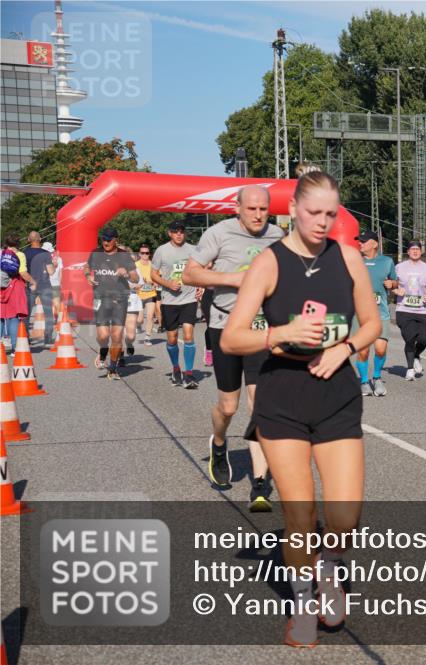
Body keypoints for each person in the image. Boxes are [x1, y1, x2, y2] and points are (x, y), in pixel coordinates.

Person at [220, 171, 380, 647]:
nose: (323, 222)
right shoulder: (269, 262)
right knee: (300, 516)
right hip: (283, 398)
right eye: (314, 212)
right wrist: (280, 334)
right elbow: (231, 338)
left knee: (345, 518)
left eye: (331, 213)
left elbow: (371, 323)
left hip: (337, 395)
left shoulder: (347, 257)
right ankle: (304, 604)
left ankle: (329, 569)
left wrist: (345, 347)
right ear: (292, 210)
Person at [184, 185, 283, 510]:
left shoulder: (278, 235)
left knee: (259, 404)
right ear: (237, 207)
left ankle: (259, 482)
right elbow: (190, 275)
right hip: (225, 325)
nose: (258, 215)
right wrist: (235, 279)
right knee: (228, 407)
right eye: (251, 208)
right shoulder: (219, 233)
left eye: (263, 209)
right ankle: (219, 442)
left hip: (260, 328)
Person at [85, 227, 139, 381]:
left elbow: (135, 278)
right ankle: (103, 351)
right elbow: (87, 266)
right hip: (100, 298)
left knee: (116, 336)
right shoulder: (96, 253)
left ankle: (113, 368)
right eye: (104, 239)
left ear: (116, 240)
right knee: (103, 336)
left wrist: (126, 274)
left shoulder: (124, 256)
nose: (106, 242)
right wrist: (88, 276)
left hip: (120, 299)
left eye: (109, 239)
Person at [151, 220, 199, 388]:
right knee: (172, 338)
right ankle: (176, 368)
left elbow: (200, 269)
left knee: (188, 335)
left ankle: (189, 374)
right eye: (175, 231)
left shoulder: (193, 249)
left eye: (181, 231)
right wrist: (168, 284)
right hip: (170, 300)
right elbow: (153, 274)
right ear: (169, 233)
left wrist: (200, 286)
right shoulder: (162, 251)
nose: (179, 234)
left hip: (189, 298)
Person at [355, 229, 397, 396]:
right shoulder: (354, 261)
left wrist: (392, 284)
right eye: (359, 241)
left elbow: (395, 281)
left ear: (374, 244)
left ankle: (377, 377)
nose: (360, 243)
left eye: (363, 241)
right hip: (359, 315)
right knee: (363, 351)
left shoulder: (387, 261)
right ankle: (364, 381)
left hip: (381, 314)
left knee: (380, 349)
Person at [393, 240, 426, 381]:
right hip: (403, 309)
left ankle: (417, 355)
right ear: (408, 251)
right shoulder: (399, 267)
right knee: (410, 338)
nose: (415, 251)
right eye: (412, 249)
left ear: (421, 251)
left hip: (422, 310)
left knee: (424, 339)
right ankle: (410, 369)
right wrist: (396, 290)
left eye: (417, 249)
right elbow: (390, 284)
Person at [1, 234, 32, 353]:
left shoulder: (1, 253)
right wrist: (33, 281)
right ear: (18, 243)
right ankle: (15, 348)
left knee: (0, 318)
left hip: (1, 287)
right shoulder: (20, 255)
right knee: (13, 317)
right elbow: (22, 272)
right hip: (14, 287)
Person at [23, 231, 55, 345]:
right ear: (40, 239)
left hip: (30, 285)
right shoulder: (46, 253)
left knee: (26, 312)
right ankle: (48, 338)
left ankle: (25, 337)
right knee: (48, 312)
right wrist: (54, 265)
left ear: (28, 240)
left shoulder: (24, 253)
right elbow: (51, 272)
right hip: (45, 285)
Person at [135, 244, 158, 346]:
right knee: (139, 319)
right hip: (138, 295)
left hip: (150, 294)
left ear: (149, 254)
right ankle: (138, 325)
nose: (145, 255)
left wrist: (154, 283)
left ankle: (147, 337)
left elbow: (158, 278)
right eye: (142, 253)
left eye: (147, 253)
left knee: (150, 316)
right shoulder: (135, 265)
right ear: (139, 254)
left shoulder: (153, 265)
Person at [43, 242, 63, 323]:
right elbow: (61, 272)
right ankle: (59, 319)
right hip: (56, 283)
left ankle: (51, 319)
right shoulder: (59, 259)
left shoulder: (43, 259)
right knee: (57, 302)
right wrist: (60, 282)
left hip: (46, 283)